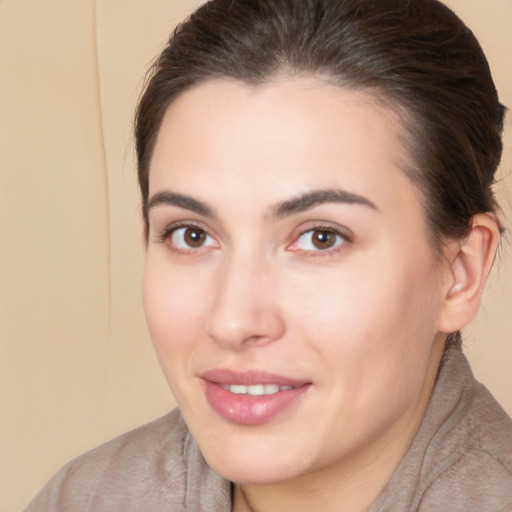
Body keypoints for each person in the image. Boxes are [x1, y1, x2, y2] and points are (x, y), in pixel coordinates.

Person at [25, 0, 512, 510]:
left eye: (320, 238)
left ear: (460, 274)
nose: (233, 321)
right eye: (191, 235)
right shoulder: (81, 498)